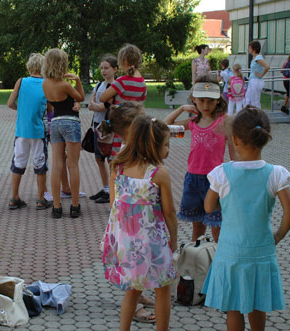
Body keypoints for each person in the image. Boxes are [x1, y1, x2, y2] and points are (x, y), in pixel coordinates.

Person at [202, 106, 290, 331]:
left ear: (234, 140)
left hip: (230, 251)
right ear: (264, 138)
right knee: (258, 304)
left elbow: (208, 207)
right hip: (261, 251)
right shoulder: (276, 173)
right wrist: (278, 235)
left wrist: (224, 201)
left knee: (233, 308)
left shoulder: (221, 173)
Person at [102, 115, 177, 331]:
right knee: (162, 289)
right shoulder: (159, 174)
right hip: (153, 243)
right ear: (152, 146)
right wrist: (173, 240)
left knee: (132, 289)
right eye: (166, 145)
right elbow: (169, 212)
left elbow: (113, 204)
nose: (168, 150)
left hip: (126, 242)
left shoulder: (119, 167)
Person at [164, 75, 236, 242]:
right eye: (201, 100)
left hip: (216, 180)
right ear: (194, 99)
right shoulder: (193, 123)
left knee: (218, 228)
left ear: (218, 100)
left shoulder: (224, 121)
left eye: (210, 101)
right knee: (197, 231)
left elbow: (234, 153)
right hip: (193, 179)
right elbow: (164, 127)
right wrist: (182, 108)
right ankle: (197, 262)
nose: (205, 105)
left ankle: (219, 264)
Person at [42, 48, 85, 218]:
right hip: (71, 122)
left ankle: (57, 207)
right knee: (72, 164)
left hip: (55, 123)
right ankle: (75, 205)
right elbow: (80, 97)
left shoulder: (45, 84)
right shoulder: (65, 85)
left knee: (57, 165)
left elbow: (52, 105)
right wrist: (78, 81)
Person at [6, 53, 51, 210]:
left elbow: (10, 103)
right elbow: (50, 108)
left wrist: (21, 110)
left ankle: (14, 197)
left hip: (21, 130)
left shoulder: (21, 82)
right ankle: (40, 199)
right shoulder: (47, 84)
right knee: (40, 164)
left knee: (18, 163)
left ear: (29, 66)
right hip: (38, 131)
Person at [99, 44, 147, 161]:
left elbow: (102, 97)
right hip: (135, 126)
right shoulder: (142, 83)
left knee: (116, 161)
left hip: (120, 127)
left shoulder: (122, 81)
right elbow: (141, 101)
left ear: (124, 61)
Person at [87, 55, 117, 204]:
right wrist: (95, 105)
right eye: (102, 68)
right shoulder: (99, 85)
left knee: (111, 159)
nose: (103, 71)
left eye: (107, 68)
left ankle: (113, 189)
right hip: (97, 126)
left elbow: (104, 106)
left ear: (115, 69)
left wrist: (95, 105)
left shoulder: (115, 86)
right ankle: (105, 188)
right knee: (99, 158)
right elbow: (91, 103)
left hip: (109, 127)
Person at [245, 41, 269, 108]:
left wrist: (261, 75)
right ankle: (249, 114)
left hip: (256, 80)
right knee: (248, 98)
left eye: (250, 48)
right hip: (253, 80)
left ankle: (257, 115)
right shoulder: (255, 58)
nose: (249, 49)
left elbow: (267, 66)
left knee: (255, 100)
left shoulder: (258, 58)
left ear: (254, 49)